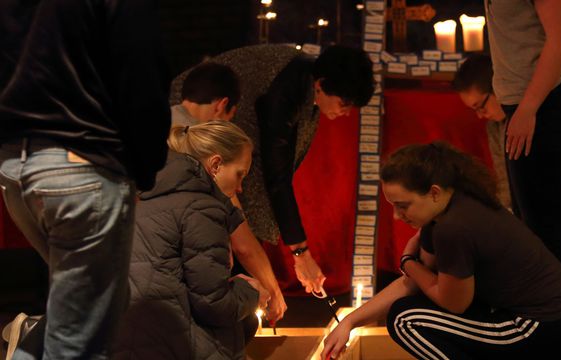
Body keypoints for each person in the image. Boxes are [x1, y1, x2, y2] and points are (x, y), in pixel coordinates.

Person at [0, 0, 171, 358]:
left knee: (89, 311)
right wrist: (144, 170)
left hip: (14, 167)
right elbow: (141, 75)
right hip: (82, 165)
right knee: (79, 341)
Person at [322, 142, 561, 360]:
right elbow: (411, 285)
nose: (396, 216)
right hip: (558, 319)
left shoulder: (453, 228)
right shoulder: (452, 205)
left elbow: (453, 302)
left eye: (403, 205)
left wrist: (408, 262)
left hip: (543, 328)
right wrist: (349, 322)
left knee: (406, 319)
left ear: (434, 192)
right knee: (412, 307)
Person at [170, 45, 374, 294]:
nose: (345, 113)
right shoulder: (285, 90)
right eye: (344, 103)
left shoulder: (308, 83)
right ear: (321, 84)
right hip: (199, 125)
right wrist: (300, 253)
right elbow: (276, 175)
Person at [112, 121, 270, 360]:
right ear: (216, 164)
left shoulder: (147, 201)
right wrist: (252, 292)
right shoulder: (202, 209)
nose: (240, 188)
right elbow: (213, 305)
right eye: (240, 175)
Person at [454, 54, 561, 239]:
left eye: (481, 106)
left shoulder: (546, 109)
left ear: (498, 88)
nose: (480, 115)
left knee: (547, 220)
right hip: (548, 193)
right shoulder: (495, 126)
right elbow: (505, 180)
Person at [485, 0, 561, 290]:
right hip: (522, 105)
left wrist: (529, 109)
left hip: (545, 105)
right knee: (533, 225)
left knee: (546, 229)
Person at [171, 61, 287, 323]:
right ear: (222, 105)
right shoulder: (204, 151)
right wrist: (272, 292)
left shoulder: (153, 128)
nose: (239, 187)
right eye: (229, 119)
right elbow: (242, 239)